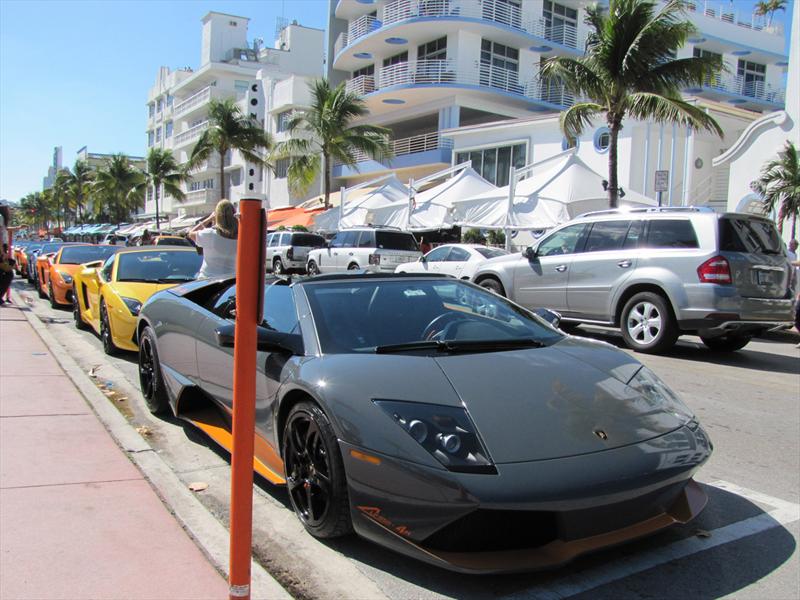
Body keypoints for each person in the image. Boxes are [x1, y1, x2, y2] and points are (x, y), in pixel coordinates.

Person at [188, 199, 238, 279]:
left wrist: (209, 219)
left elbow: (190, 233)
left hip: (208, 280)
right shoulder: (240, 237)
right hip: (230, 280)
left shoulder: (209, 234)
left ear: (217, 216)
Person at [0, 203, 14, 304]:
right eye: (7, 208)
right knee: (8, 274)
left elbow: (5, 230)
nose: (8, 211)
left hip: (2, 247)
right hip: (1, 248)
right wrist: (2, 251)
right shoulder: (0, 217)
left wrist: (18, 227)